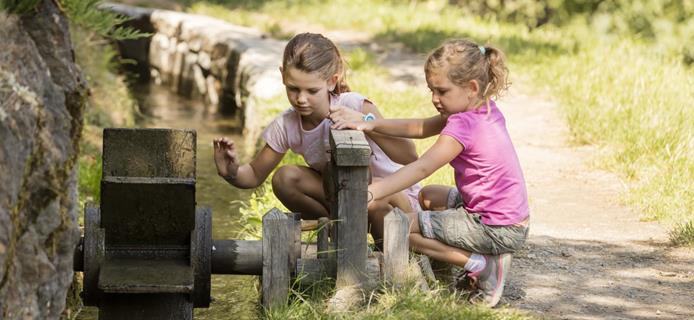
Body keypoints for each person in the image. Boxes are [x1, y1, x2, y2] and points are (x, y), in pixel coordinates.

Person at [332, 39, 529, 307]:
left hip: (494, 227)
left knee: (400, 228)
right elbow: (420, 127)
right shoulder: (481, 107)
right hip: (506, 218)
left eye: (442, 91)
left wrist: (372, 192)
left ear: (471, 87)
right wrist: (369, 122)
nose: (435, 98)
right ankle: (451, 264)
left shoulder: (463, 126)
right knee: (428, 196)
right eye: (431, 90)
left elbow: (422, 166)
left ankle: (483, 265)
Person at [213, 32, 421, 246]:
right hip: (347, 197)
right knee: (285, 178)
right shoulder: (287, 124)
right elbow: (255, 174)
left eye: (312, 90)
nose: (301, 99)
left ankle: (390, 247)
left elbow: (409, 156)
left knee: (366, 191)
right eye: (293, 89)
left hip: (394, 197)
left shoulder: (355, 105)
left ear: (332, 82)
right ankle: (338, 232)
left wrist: (366, 122)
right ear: (283, 75)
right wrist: (230, 171)